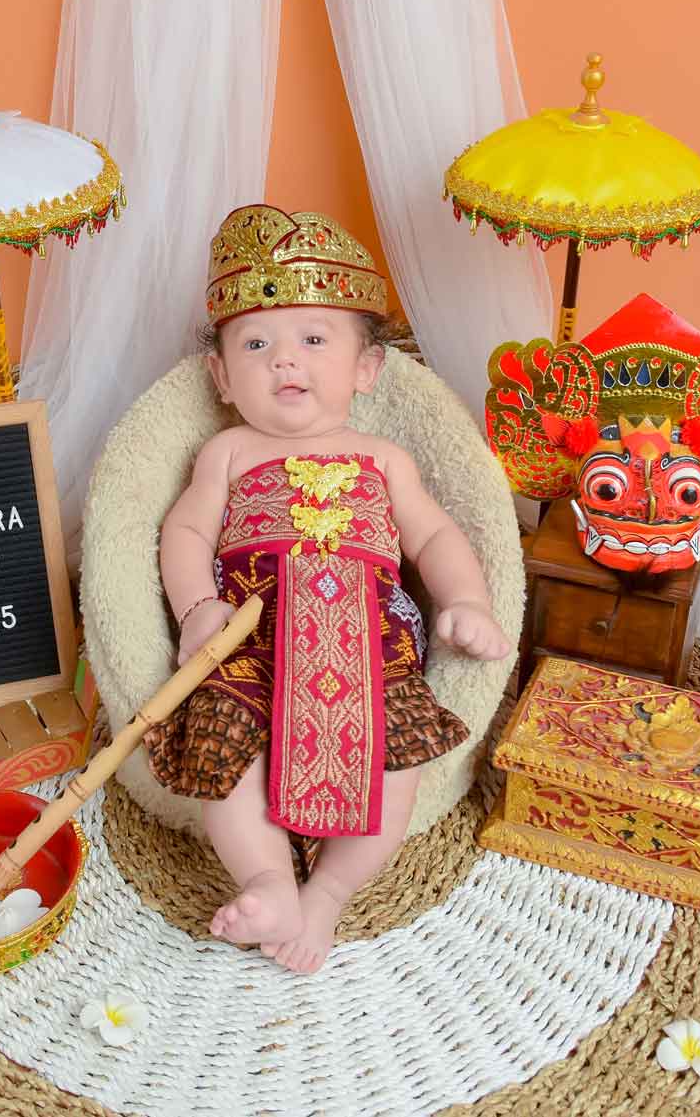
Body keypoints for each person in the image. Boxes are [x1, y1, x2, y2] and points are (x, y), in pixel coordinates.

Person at [146, 204, 511, 974]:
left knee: (398, 759)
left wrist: (466, 602)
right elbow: (185, 532)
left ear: (365, 369)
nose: (285, 360)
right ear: (221, 376)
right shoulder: (228, 452)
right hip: (253, 642)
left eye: (313, 340)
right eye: (256, 344)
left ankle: (331, 892)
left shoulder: (384, 458)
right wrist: (196, 608)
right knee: (222, 747)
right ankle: (268, 878)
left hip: (368, 650)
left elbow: (436, 536)